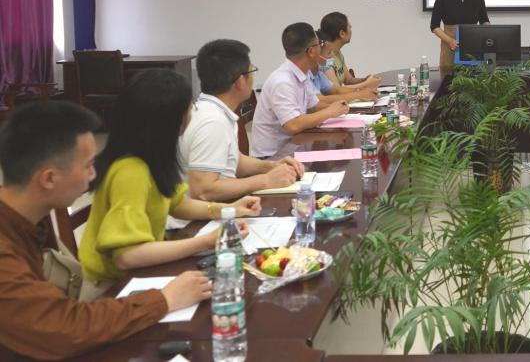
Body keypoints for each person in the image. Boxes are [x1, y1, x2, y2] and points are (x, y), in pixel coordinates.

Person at [0, 101, 213, 360]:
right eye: (88, 165)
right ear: (49, 178)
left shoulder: (27, 218)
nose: (93, 175)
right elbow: (63, 329)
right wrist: (165, 300)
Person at [78, 69, 261, 284]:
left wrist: (229, 210)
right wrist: (207, 241)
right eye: (189, 108)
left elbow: (177, 204)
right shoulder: (131, 171)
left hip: (139, 272)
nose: (192, 113)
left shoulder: (150, 156)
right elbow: (127, 256)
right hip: (112, 285)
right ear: (172, 119)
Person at [181, 39, 305, 202]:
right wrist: (265, 180)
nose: (252, 78)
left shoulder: (215, 111)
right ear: (240, 81)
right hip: (206, 216)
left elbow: (234, 160)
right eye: (252, 72)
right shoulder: (212, 122)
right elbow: (203, 190)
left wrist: (272, 166)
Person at [250, 23, 350, 158]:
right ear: (311, 51)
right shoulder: (282, 81)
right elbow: (293, 125)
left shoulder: (303, 73)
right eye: (319, 44)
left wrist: (341, 108)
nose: (321, 48)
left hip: (295, 146)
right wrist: (330, 112)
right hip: (273, 157)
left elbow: (313, 106)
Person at [429, 0, 489, 69]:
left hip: (473, 45)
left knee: (473, 76)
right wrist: (450, 41)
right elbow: (434, 26)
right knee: (448, 77)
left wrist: (492, 34)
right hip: (450, 46)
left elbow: (484, 21)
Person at [319, 11, 381, 95]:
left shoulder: (338, 52)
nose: (351, 29)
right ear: (342, 33)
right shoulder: (325, 58)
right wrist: (367, 84)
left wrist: (365, 80)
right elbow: (336, 90)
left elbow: (348, 80)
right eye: (349, 27)